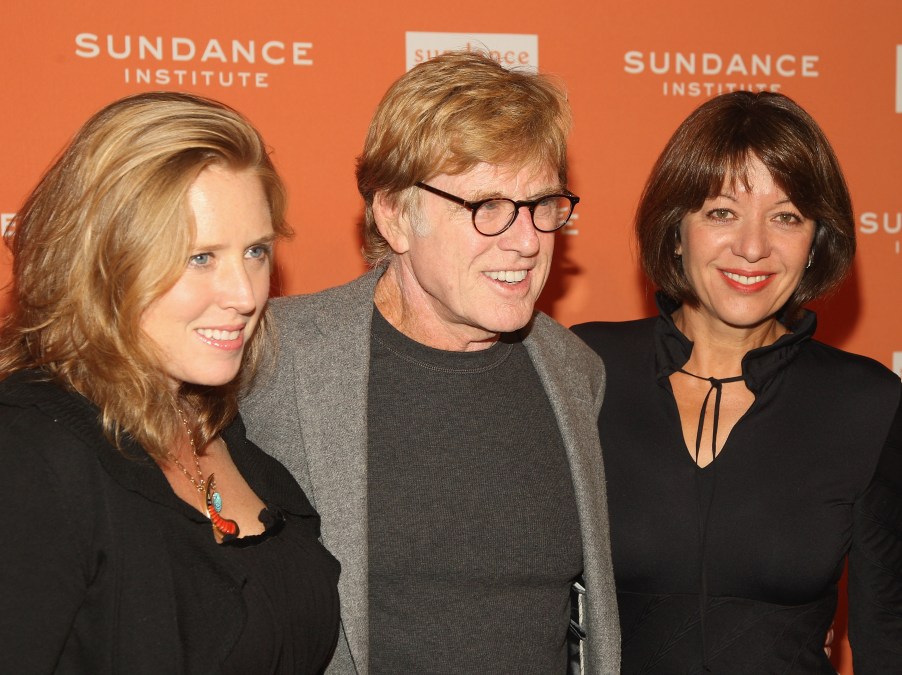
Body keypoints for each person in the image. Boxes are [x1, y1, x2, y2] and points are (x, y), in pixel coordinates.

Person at [240, 51, 620, 674]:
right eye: (488, 207)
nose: (527, 241)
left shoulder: (573, 370)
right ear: (394, 214)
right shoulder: (277, 357)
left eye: (542, 204)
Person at [0, 92, 340, 673]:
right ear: (104, 261)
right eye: (200, 257)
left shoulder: (228, 435)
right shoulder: (31, 454)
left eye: (256, 251)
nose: (246, 295)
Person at [572, 91, 902, 673]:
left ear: (815, 243)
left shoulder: (867, 404)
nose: (753, 248)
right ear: (676, 230)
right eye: (722, 212)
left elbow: (887, 634)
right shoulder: (583, 368)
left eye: (786, 217)